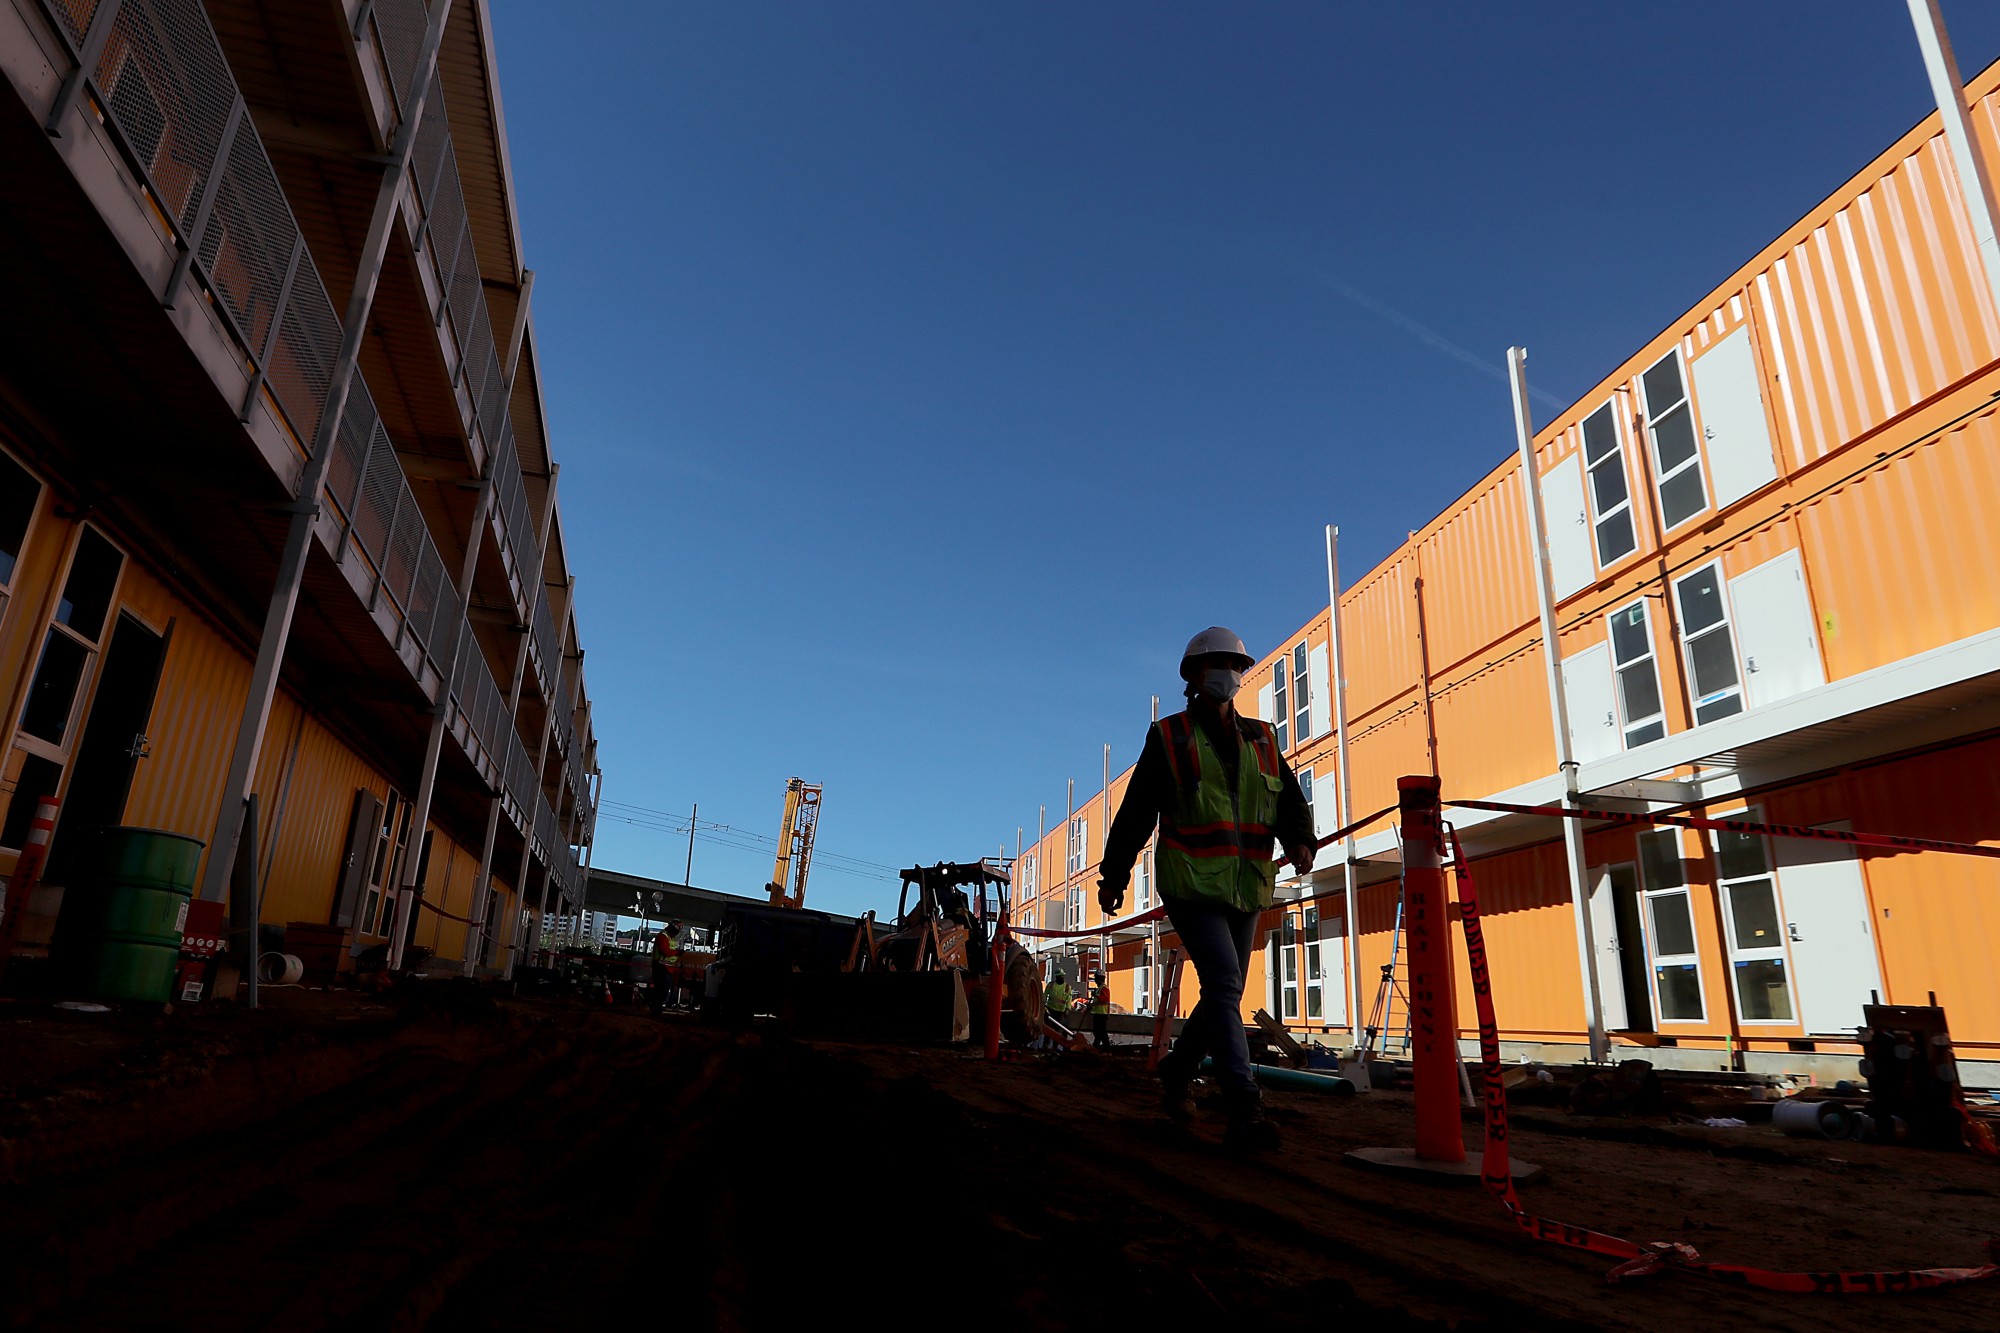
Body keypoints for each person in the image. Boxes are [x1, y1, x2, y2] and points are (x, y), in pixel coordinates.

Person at [1097, 627, 1315, 1151]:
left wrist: (1302, 838)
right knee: (1222, 983)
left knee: (1225, 990)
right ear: (1192, 676)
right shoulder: (1169, 737)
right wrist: (1114, 874)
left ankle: (1177, 1071)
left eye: (1235, 665)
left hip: (1245, 885)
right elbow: (1135, 813)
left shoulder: (1261, 738)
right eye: (1218, 664)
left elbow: (1287, 799)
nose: (1228, 674)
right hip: (1191, 881)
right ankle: (1244, 1106)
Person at [651, 921, 683, 1014]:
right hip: (661, 967)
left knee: (663, 990)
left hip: (667, 967)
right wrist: (678, 953)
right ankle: (655, 1009)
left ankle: (657, 1008)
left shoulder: (668, 937)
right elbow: (666, 951)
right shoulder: (663, 937)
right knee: (661, 990)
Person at [1089, 970, 1112, 1049]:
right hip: (1098, 1013)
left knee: (1101, 1032)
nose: (1095, 980)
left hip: (1102, 1014)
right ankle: (1096, 1046)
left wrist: (1096, 995)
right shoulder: (1099, 989)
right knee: (1097, 1032)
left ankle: (1106, 1048)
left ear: (1100, 979)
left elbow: (1105, 999)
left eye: (1096, 978)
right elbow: (1097, 1002)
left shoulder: (1104, 988)